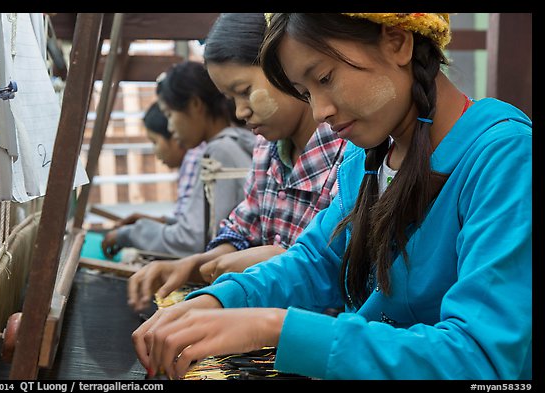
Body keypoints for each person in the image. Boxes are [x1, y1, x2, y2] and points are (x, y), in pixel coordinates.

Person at [132, 13, 532, 380]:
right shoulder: (365, 161)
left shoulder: (506, 157)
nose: (320, 110)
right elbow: (318, 260)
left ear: (397, 42)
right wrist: (223, 300)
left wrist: (270, 325)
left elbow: (480, 361)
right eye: (305, 93)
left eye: (324, 78)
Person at [126, 13, 348, 313]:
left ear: (287, 67)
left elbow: (339, 266)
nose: (240, 111)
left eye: (244, 92)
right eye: (230, 98)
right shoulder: (265, 150)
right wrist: (197, 263)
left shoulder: (348, 155)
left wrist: (271, 258)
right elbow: (243, 228)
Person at [104, 61, 255, 259]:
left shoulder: (220, 151)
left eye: (170, 114)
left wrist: (128, 235)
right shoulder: (235, 143)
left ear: (195, 105)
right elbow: (204, 225)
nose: (170, 128)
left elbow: (193, 240)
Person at [101, 101, 206, 258]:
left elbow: (189, 238)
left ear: (175, 135)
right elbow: (188, 224)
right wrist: (151, 221)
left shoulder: (195, 158)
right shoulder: (195, 157)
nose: (155, 152)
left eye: (155, 142)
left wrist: (130, 234)